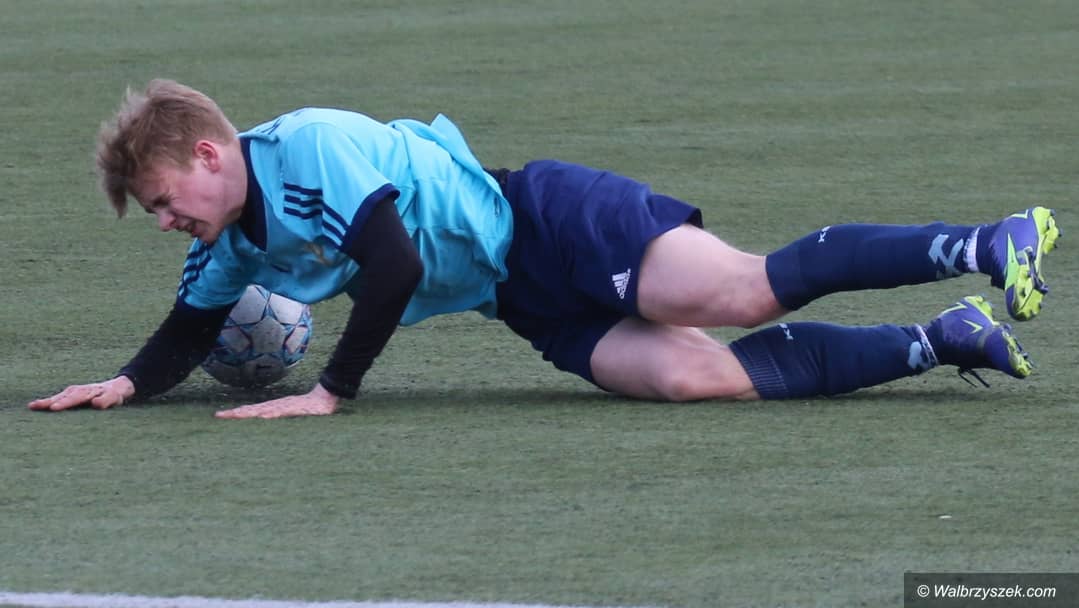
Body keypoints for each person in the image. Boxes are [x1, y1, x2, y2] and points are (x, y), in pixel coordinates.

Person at [28, 79, 1062, 419]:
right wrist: (125, 383)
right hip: (516, 297)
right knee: (697, 379)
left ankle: (986, 240)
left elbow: (391, 264)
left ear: (210, 156)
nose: (165, 221)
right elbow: (190, 324)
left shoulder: (307, 147)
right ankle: (939, 339)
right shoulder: (225, 244)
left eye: (163, 200)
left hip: (552, 220)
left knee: (742, 293)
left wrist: (331, 390)